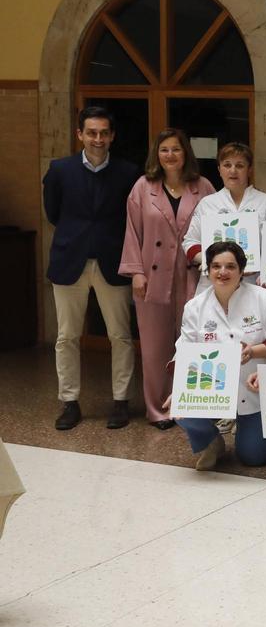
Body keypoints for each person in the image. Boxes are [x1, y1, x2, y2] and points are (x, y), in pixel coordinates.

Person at [42, 106, 140, 431]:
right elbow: (53, 213)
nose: (97, 139)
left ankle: (121, 402)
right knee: (66, 336)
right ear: (80, 134)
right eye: (91, 132)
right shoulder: (59, 170)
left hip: (113, 262)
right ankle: (69, 402)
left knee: (120, 336)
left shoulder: (128, 173)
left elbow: (131, 219)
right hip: (70, 261)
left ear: (112, 136)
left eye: (103, 133)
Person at [165, 242, 266, 470]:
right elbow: (184, 350)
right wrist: (179, 389)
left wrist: (253, 351)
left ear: (242, 270)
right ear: (208, 270)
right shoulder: (195, 307)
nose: (222, 272)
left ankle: (249, 430)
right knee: (182, 409)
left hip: (253, 387)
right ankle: (211, 442)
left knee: (255, 457)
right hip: (211, 389)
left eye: (230, 266)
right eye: (215, 266)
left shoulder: (264, 299)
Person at [120, 128, 215, 429]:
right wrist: (136, 271)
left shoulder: (204, 187)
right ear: (156, 155)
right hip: (153, 276)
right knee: (154, 345)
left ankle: (188, 404)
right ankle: (158, 409)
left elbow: (217, 229)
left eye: (176, 149)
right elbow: (132, 232)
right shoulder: (142, 188)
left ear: (186, 152)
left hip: (193, 276)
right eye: (164, 150)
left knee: (191, 341)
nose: (170, 155)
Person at [183, 142, 266, 293]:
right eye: (227, 165)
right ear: (219, 169)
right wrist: (210, 262)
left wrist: (261, 266)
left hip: (253, 284)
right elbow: (190, 242)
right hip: (213, 285)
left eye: (240, 165)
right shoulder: (207, 204)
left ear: (249, 169)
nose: (233, 171)